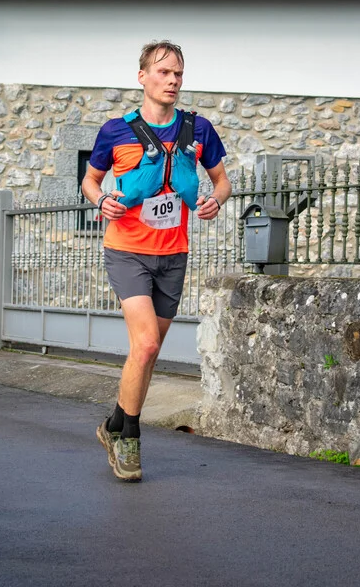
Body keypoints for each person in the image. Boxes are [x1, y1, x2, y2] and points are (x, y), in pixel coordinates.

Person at [82, 40, 231, 481]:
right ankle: (129, 440)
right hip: (127, 251)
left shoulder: (198, 129)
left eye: (178, 74)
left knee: (147, 353)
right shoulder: (116, 131)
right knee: (146, 344)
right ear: (142, 77)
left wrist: (215, 201)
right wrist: (102, 200)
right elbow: (90, 180)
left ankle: (113, 424)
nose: (172, 81)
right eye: (163, 72)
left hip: (173, 255)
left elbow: (222, 181)